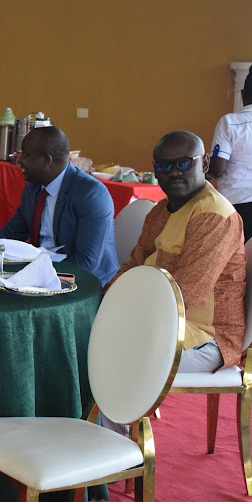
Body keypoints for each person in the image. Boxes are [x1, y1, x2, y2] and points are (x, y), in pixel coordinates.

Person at [109, 130, 246, 372]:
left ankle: (109, 410)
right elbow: (134, 266)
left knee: (114, 353)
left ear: (203, 164)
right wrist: (105, 302)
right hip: (159, 320)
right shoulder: (161, 211)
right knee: (87, 333)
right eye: (163, 166)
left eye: (184, 163)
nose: (174, 172)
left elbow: (183, 296)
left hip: (206, 336)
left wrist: (125, 316)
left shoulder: (214, 215)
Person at [0, 126, 119, 286]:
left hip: (86, 283)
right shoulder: (33, 187)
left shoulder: (91, 194)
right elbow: (12, 232)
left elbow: (87, 262)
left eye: (25, 155)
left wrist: (34, 273)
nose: (19, 161)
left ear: (47, 160)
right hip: (43, 270)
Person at [208, 66, 252, 241]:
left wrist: (200, 170)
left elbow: (217, 169)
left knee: (231, 261)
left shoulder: (230, 122)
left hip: (235, 206)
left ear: (242, 95)